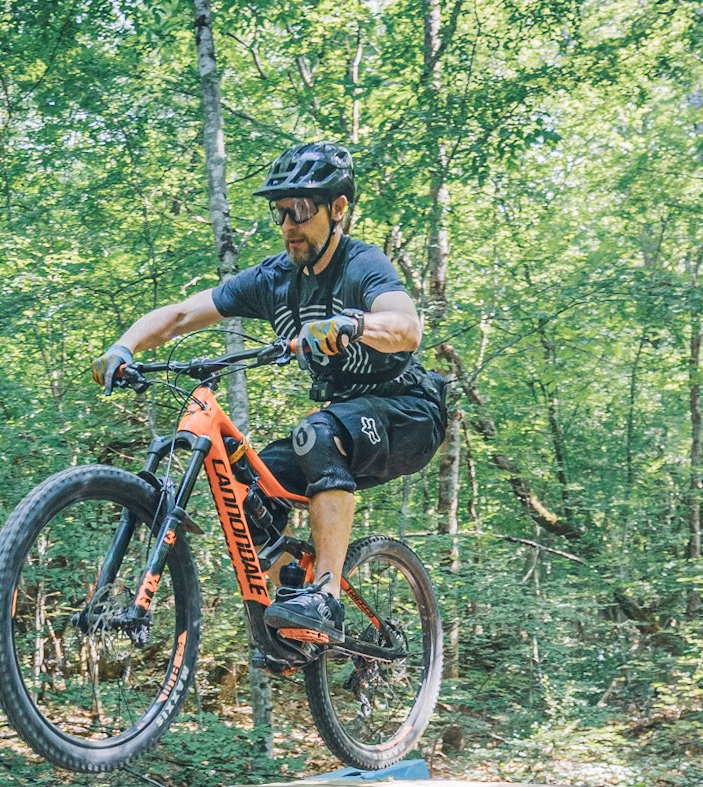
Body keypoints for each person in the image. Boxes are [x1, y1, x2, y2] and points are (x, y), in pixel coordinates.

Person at [91, 141, 450, 644]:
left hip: (410, 411)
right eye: (280, 213)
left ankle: (323, 595)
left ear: (338, 209)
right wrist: (123, 346)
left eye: (300, 211)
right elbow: (178, 315)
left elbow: (406, 327)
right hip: (351, 415)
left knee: (316, 433)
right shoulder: (275, 279)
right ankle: (292, 611)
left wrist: (351, 322)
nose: (288, 226)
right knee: (250, 488)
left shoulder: (362, 265)